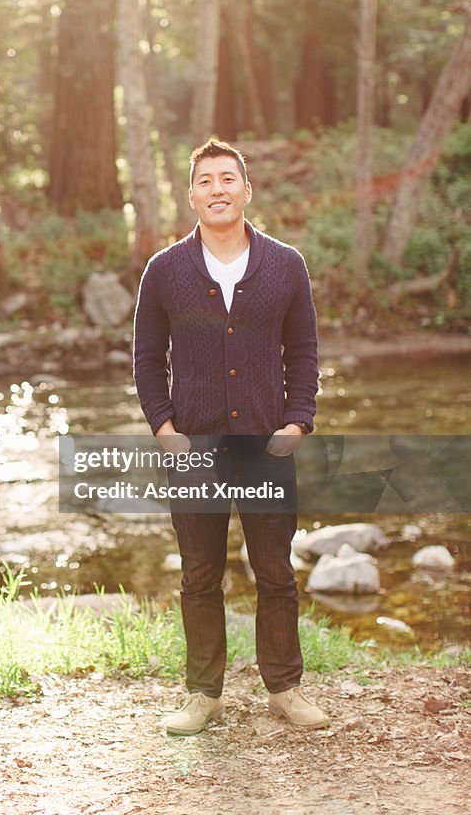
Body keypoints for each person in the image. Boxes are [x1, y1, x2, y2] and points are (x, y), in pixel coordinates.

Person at [133, 138, 329, 735]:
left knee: (275, 572)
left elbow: (304, 351)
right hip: (193, 451)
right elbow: (146, 359)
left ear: (247, 190)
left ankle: (285, 688)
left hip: (268, 449)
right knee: (199, 574)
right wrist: (165, 429)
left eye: (228, 179)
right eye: (206, 181)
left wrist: (297, 421)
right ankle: (203, 694)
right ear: (192, 195)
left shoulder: (285, 264)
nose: (218, 189)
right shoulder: (164, 270)